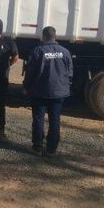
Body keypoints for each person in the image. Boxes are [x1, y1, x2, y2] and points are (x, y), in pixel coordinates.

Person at [23, 26, 73, 156]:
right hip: (58, 92)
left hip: (40, 91)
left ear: (43, 37)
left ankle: (37, 147)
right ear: (55, 36)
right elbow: (70, 72)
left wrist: (26, 86)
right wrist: (66, 86)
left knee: (39, 118)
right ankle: (51, 150)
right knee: (55, 119)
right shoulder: (65, 52)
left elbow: (30, 72)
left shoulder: (37, 51)